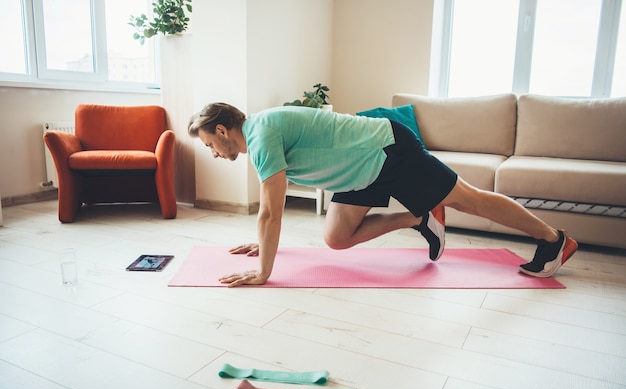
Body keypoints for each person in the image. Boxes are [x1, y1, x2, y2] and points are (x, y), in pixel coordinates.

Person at [188, 103, 578, 287]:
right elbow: (271, 216)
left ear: (223, 130)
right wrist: (264, 244)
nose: (213, 153)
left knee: (470, 199)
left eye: (209, 144)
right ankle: (420, 216)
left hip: (387, 150)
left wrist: (264, 272)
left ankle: (554, 240)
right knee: (337, 239)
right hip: (359, 171)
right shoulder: (260, 133)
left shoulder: (261, 135)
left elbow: (271, 214)